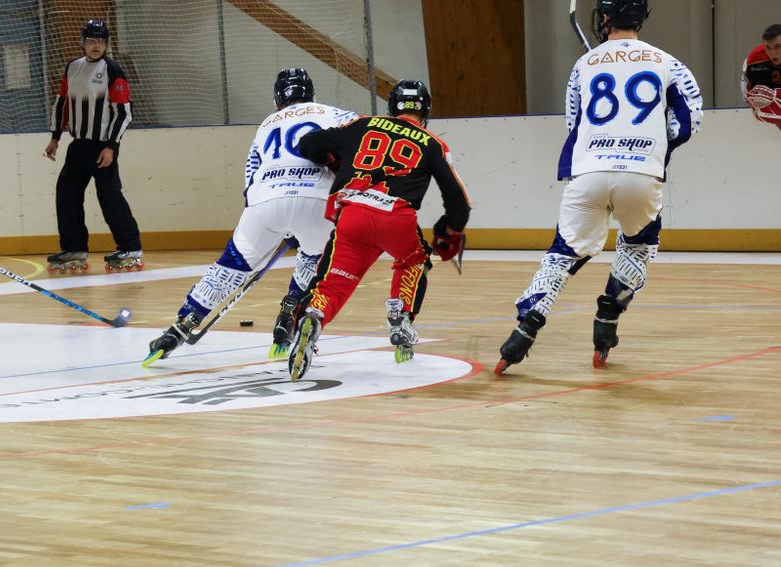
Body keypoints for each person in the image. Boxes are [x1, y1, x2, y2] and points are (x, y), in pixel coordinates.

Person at [494, 0, 703, 374]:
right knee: (638, 245)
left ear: (606, 17)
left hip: (588, 170)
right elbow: (689, 121)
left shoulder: (584, 64)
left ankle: (527, 324)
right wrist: (654, 148)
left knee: (564, 253)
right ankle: (609, 314)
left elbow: (573, 120)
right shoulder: (668, 62)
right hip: (641, 172)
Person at [143, 68, 358, 367]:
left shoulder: (267, 123)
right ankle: (290, 312)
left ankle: (183, 323)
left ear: (277, 98)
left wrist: (270, 214)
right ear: (310, 93)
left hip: (265, 200)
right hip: (317, 198)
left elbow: (250, 176)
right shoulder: (336, 113)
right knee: (314, 259)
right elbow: (364, 139)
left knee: (229, 267)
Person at [287, 79, 472, 382]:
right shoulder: (433, 143)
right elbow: (458, 201)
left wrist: (335, 160)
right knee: (414, 259)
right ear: (425, 109)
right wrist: (451, 231)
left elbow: (309, 143)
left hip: (353, 215)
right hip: (396, 217)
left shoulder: (362, 124)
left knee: (332, 284)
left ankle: (313, 317)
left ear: (392, 106)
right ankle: (401, 316)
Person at [45, 18, 142, 273]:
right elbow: (62, 103)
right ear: (82, 42)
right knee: (66, 194)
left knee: (110, 197)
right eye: (91, 40)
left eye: (101, 41)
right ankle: (74, 248)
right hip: (78, 147)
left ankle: (130, 247)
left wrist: (111, 147)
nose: (96, 45)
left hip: (102, 148)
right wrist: (55, 137)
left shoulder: (113, 70)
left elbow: (124, 113)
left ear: (106, 43)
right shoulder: (72, 67)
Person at [741, 24, 781, 130]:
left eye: (778, 47)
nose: (773, 53)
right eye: (768, 48)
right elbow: (747, 94)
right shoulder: (754, 61)